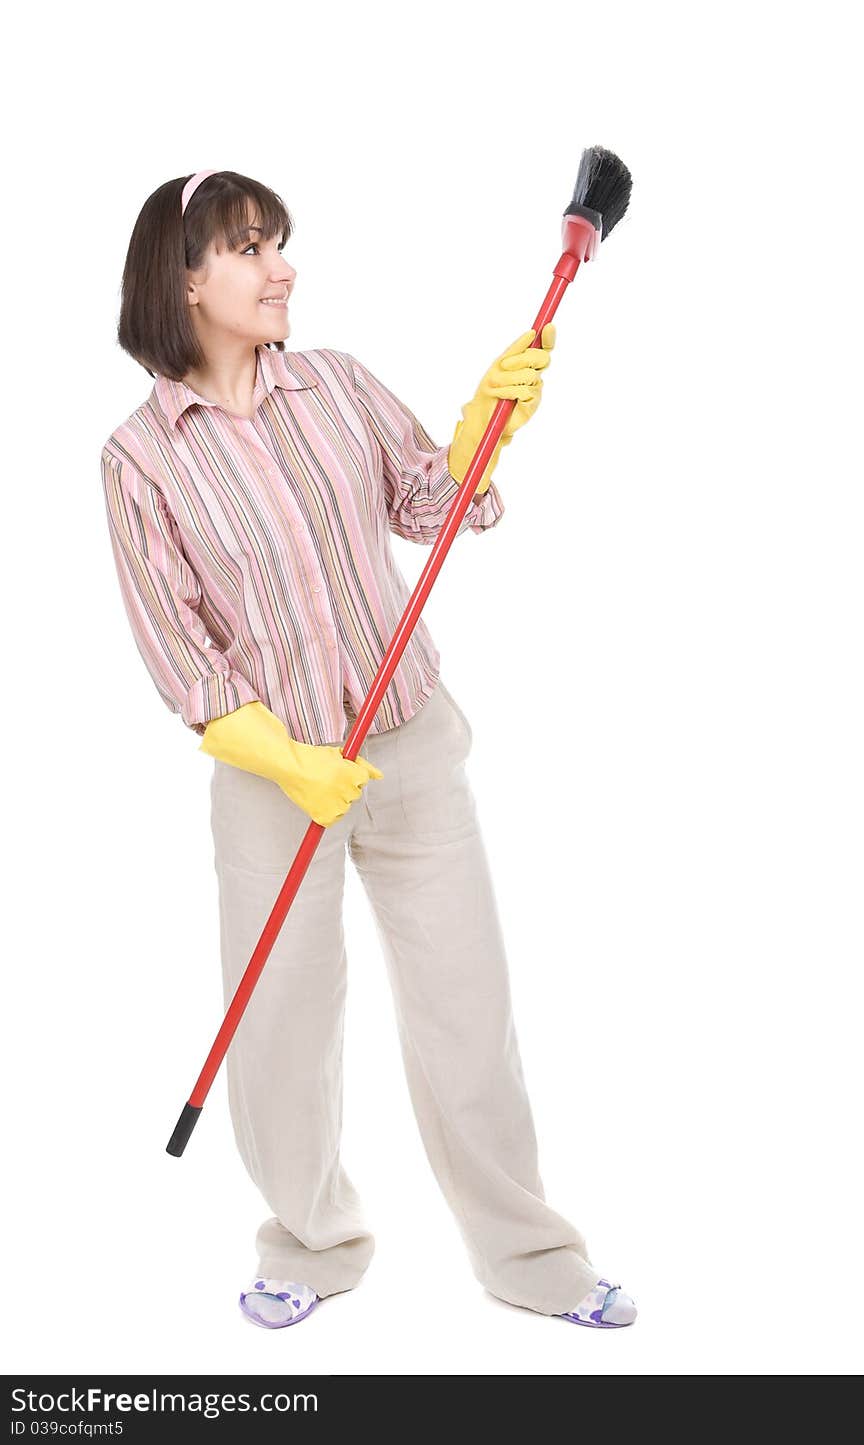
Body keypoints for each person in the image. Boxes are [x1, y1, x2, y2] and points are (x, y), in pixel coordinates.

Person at [100, 168, 637, 1332]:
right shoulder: (139, 459)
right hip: (272, 782)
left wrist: (480, 429)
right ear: (185, 277)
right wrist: (288, 761)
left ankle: (531, 1255)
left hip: (414, 744)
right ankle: (309, 1238)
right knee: (283, 1022)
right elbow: (178, 651)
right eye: (250, 247)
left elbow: (427, 504)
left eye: (280, 242)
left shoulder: (334, 384)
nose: (281, 265)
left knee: (466, 1007)